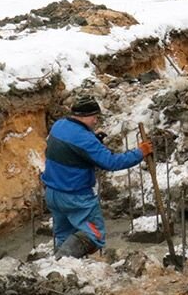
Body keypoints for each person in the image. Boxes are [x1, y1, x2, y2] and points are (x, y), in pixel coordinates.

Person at [41, 96, 151, 258]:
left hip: (52, 194)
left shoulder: (59, 126)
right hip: (75, 197)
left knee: (64, 235)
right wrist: (140, 152)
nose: (95, 121)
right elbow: (111, 162)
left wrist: (94, 140)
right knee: (94, 235)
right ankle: (60, 260)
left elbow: (71, 150)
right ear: (85, 116)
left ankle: (60, 272)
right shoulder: (85, 139)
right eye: (94, 117)